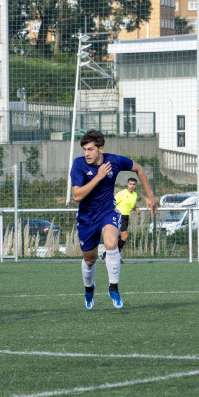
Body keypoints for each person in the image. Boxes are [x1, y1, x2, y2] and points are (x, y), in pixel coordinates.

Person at [70, 129, 156, 310]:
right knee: (90, 260)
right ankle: (89, 288)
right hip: (86, 219)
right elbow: (77, 196)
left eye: (91, 149)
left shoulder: (114, 161)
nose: (87, 153)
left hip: (107, 213)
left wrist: (150, 196)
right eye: (85, 149)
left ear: (101, 148)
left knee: (111, 244)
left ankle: (113, 288)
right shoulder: (78, 165)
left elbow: (139, 169)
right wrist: (99, 176)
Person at [101, 177, 140, 263]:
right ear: (127, 184)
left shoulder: (135, 195)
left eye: (133, 184)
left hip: (126, 217)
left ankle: (106, 255)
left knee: (118, 239)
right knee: (124, 236)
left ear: (136, 185)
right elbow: (112, 203)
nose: (132, 186)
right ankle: (114, 255)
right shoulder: (122, 194)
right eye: (130, 184)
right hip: (119, 216)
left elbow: (131, 205)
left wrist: (136, 209)